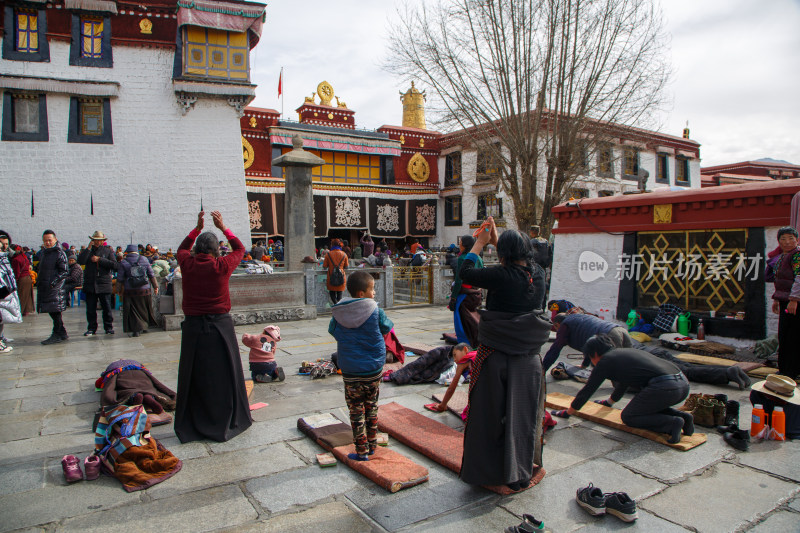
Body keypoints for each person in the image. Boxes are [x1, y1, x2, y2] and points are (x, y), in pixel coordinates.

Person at [458, 217, 550, 490]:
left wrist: (480, 243)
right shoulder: (539, 273)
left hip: (496, 356)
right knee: (523, 418)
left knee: (487, 417)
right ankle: (519, 473)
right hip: (530, 359)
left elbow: (465, 272)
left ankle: (487, 476)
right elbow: (515, 264)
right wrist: (501, 241)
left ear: (503, 254)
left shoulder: (500, 275)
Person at [173, 211, 251, 443]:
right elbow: (240, 249)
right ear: (217, 249)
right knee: (225, 374)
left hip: (194, 328)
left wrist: (196, 229)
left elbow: (181, 250)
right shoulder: (222, 265)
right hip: (220, 327)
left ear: (197, 249)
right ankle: (226, 418)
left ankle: (194, 419)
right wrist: (224, 227)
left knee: (195, 374)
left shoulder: (187, 264)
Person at [555, 334, 693, 444]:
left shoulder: (605, 361)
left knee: (629, 416)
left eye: (590, 357)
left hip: (664, 388)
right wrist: (609, 403)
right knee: (647, 408)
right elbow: (623, 383)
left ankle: (672, 423)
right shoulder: (624, 354)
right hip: (682, 385)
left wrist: (568, 412)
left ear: (595, 353)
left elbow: (588, 390)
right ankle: (684, 417)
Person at [328, 270, 394, 461]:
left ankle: (361, 451)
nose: (374, 293)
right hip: (373, 368)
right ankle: (372, 445)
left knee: (356, 410)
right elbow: (387, 327)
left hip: (350, 369)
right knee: (371, 406)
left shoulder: (339, 312)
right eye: (372, 289)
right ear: (361, 293)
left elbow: (333, 330)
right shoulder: (375, 310)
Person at [765, 226, 800, 379]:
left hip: (795, 302)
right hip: (785, 301)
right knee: (784, 335)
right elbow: (780, 281)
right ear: (779, 241)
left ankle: (792, 371)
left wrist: (794, 300)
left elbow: (799, 279)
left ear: (796, 240)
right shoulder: (781, 257)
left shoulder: (797, 255)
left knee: (793, 336)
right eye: (783, 239)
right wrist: (777, 300)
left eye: (791, 238)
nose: (787, 242)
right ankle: (784, 369)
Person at [543, 313, 631, 371]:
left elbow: (555, 349)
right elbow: (590, 347)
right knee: (629, 361)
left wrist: (543, 369)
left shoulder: (565, 325)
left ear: (557, 324)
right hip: (620, 329)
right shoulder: (578, 317)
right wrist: (584, 366)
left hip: (609, 334)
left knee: (611, 366)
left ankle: (621, 390)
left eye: (557, 328)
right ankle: (637, 385)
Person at [77, 231, 117, 336]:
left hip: (104, 283)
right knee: (90, 308)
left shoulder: (108, 251)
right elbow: (80, 261)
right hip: (90, 284)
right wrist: (88, 248)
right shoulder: (88, 251)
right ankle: (91, 328)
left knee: (107, 308)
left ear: (103, 241)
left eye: (99, 240)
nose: (97, 242)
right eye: (95, 240)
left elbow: (114, 265)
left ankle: (108, 327)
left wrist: (100, 259)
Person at [36, 230, 69, 344]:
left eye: (50, 240)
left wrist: (53, 282)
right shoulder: (45, 252)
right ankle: (62, 332)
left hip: (55, 288)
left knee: (55, 311)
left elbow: (64, 271)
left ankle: (57, 334)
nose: (48, 242)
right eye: (45, 241)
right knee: (53, 311)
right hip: (46, 287)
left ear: (55, 239)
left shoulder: (59, 253)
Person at [117, 244, 158, 337]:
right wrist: (155, 286)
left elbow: (120, 278)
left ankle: (136, 329)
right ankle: (144, 326)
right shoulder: (144, 259)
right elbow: (151, 274)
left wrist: (119, 290)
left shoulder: (124, 262)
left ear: (127, 252)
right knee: (144, 308)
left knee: (133, 310)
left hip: (130, 290)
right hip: (144, 289)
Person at [449, 235, 482, 347]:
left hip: (465, 294)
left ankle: (465, 344)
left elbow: (459, 279)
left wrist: (453, 297)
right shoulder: (479, 258)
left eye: (461, 243)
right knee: (474, 319)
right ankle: (477, 341)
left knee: (462, 320)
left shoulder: (463, 258)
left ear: (465, 245)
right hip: (476, 293)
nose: (460, 245)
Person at [430, 344, 476, 421]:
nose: (454, 359)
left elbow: (452, 387)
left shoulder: (464, 361)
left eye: (455, 355)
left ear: (465, 350)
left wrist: (442, 405)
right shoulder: (479, 354)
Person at [389, 342, 470, 386]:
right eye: (454, 355)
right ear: (464, 349)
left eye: (456, 355)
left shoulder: (469, 363)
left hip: (431, 376)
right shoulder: (442, 351)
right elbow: (421, 362)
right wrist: (399, 375)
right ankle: (396, 375)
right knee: (416, 368)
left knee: (416, 377)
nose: (455, 359)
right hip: (427, 370)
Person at [0, 231, 22, 352]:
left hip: (6, 290)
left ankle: (1, 337)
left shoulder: (6, 256)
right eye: (2, 244)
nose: (4, 247)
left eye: (6, 244)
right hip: (3, 291)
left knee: (2, 316)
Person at [9, 243, 34, 316]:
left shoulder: (16, 259)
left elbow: (17, 272)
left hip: (22, 278)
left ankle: (20, 310)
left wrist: (15, 280)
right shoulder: (24, 257)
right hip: (28, 277)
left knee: (21, 295)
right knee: (27, 296)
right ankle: (26, 310)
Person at [323, 238, 348, 305]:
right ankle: (338, 306)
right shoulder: (344, 254)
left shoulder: (328, 254)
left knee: (332, 293)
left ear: (332, 245)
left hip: (331, 276)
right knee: (339, 294)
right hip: (341, 276)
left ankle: (336, 305)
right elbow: (346, 266)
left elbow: (325, 266)